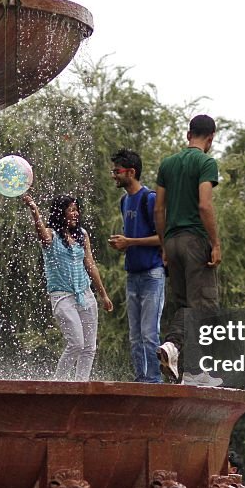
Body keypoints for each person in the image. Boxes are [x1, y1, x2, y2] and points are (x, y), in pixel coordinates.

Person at [154, 114, 223, 387]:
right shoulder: (206, 162)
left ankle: (191, 372)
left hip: (171, 241)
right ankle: (177, 351)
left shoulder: (168, 164)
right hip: (195, 239)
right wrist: (215, 243)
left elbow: (159, 208)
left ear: (187, 134)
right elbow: (205, 205)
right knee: (204, 307)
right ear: (211, 138)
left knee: (185, 306)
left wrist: (164, 245)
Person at [23, 194, 113, 380]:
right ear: (60, 212)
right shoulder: (51, 236)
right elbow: (40, 230)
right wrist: (34, 209)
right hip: (62, 296)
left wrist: (103, 295)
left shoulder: (82, 234)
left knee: (89, 348)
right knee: (76, 344)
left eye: (76, 209)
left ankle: (81, 385)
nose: (75, 213)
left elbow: (90, 265)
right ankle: (59, 384)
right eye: (71, 209)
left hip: (85, 294)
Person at [108, 149, 165, 383]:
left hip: (152, 273)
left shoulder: (149, 198)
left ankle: (154, 380)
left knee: (150, 333)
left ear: (131, 172)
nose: (114, 176)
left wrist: (129, 242)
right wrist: (123, 243)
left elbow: (163, 238)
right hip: (132, 274)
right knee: (135, 335)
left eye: (117, 171)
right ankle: (141, 377)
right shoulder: (125, 201)